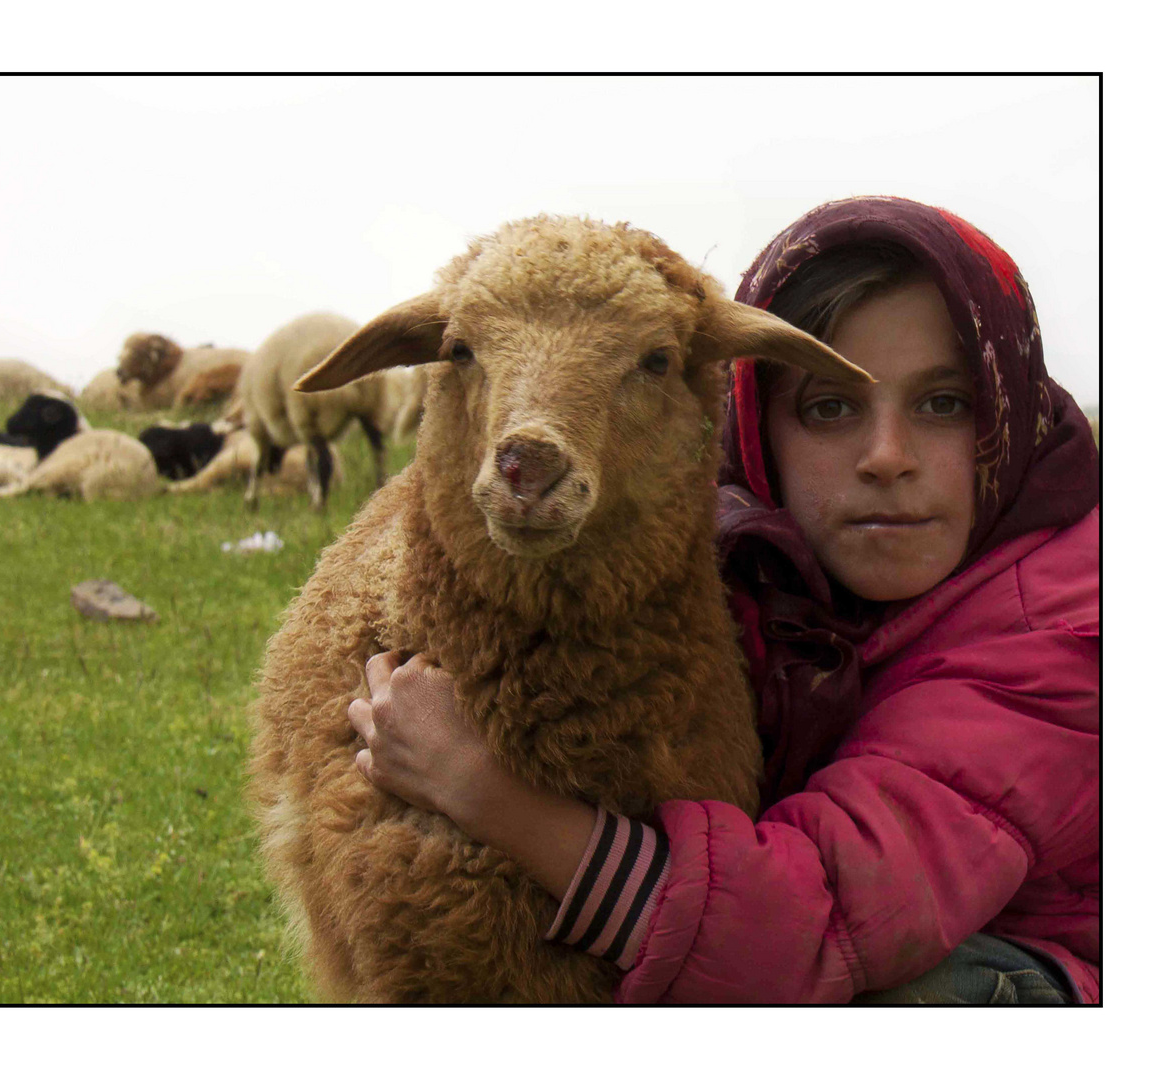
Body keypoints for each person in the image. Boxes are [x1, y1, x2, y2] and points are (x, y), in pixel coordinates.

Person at [344, 196, 1101, 1004]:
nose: (887, 457)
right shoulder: (759, 564)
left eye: (943, 403)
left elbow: (815, 930)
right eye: (830, 406)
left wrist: (490, 795)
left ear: (1009, 408)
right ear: (750, 423)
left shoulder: (1059, 640)